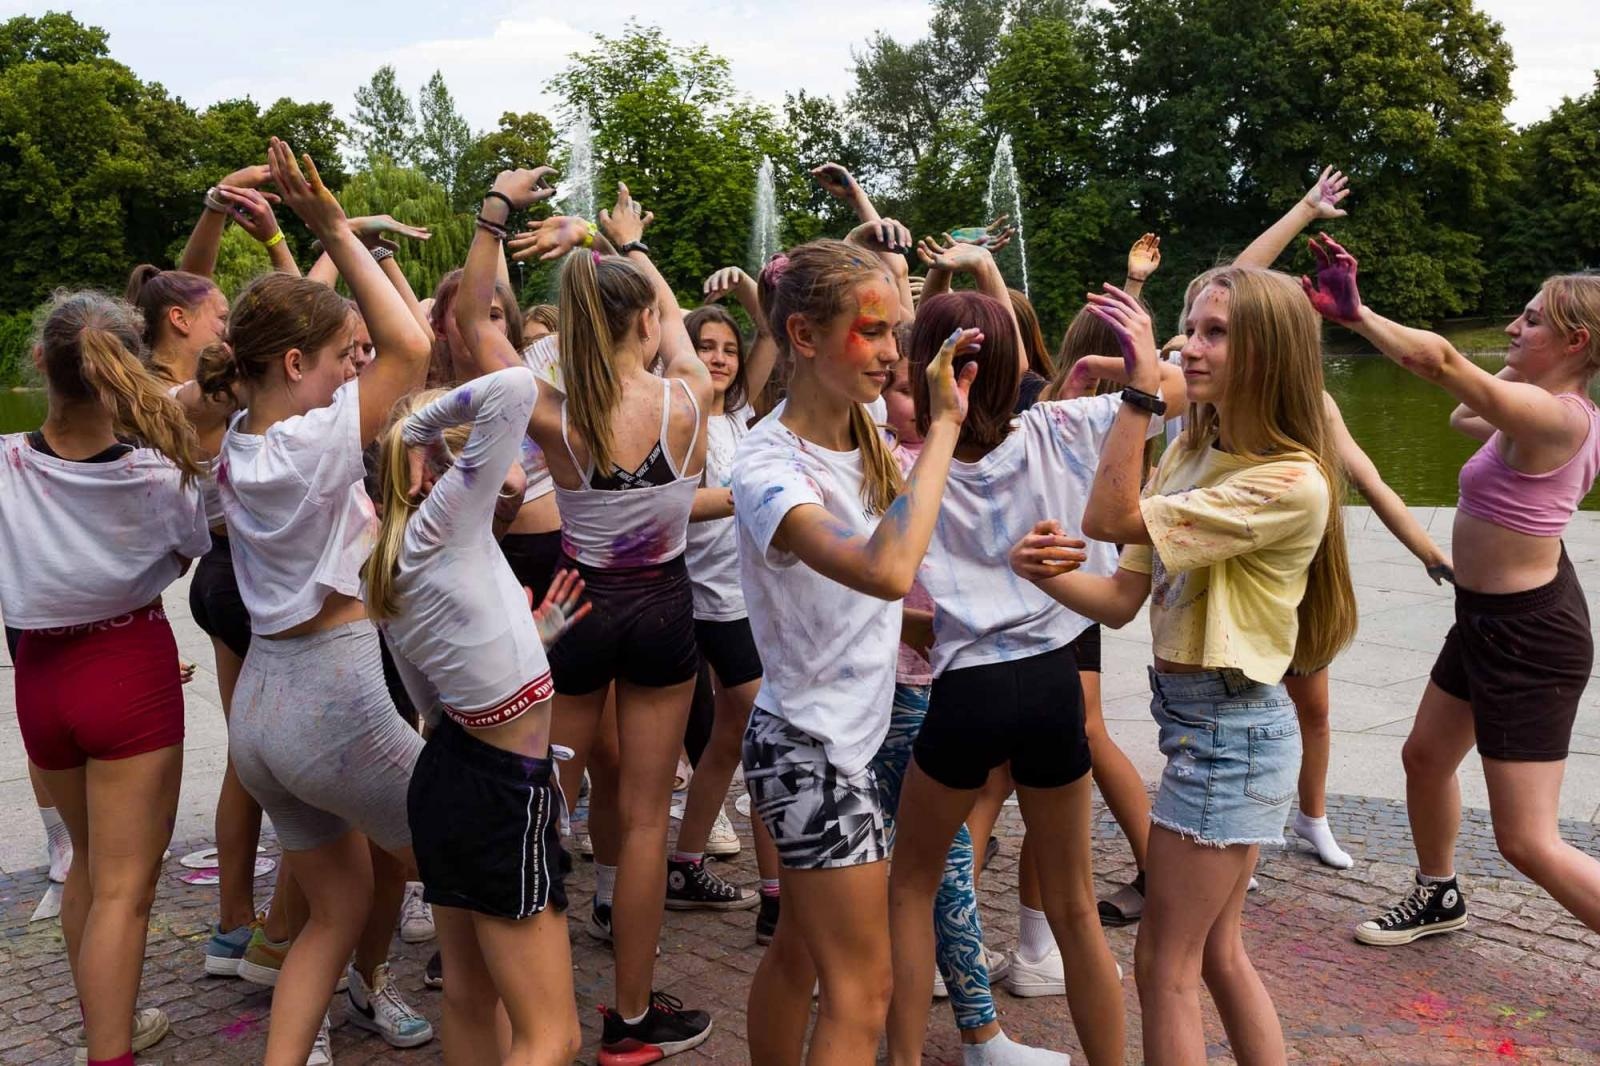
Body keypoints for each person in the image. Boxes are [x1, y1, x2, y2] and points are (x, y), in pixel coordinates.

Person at [1012, 270, 1357, 1064]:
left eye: (1215, 333)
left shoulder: (1289, 480)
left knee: (1163, 963)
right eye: (1190, 328)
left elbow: (1107, 516)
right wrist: (1036, 570)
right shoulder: (1196, 447)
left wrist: (1138, 396)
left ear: (1267, 352)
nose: (1189, 348)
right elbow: (1123, 597)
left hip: (1230, 732)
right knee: (1216, 955)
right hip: (1204, 725)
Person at [891, 286, 1185, 1066]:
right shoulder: (1064, 425)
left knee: (911, 884)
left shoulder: (912, 466)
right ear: (1014, 363)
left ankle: (902, 1053)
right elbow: (1179, 391)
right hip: (1055, 679)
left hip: (967, 687)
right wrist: (1139, 360)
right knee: (1076, 908)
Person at [468, 172, 716, 1062]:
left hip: (574, 609)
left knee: (539, 803)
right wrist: (620, 241)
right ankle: (634, 1019)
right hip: (664, 612)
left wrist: (496, 214)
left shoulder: (553, 413)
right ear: (644, 319)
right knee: (646, 822)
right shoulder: (691, 396)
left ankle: (499, 987)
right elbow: (677, 321)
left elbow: (473, 325)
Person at [198, 138, 435, 1065]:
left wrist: (287, 261)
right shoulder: (317, 442)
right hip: (335, 701)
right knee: (470, 859)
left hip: (262, 712)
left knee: (332, 911)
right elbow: (412, 343)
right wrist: (333, 224)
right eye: (343, 360)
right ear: (297, 362)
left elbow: (299, 353)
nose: (355, 371)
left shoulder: (243, 442)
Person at [1298, 240, 1600, 946]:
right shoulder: (1539, 410)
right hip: (1487, 619)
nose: (1511, 329)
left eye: (1529, 322)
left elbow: (1437, 362)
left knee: (1527, 842)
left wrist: (1358, 314)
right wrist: (1517, 369)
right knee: (1426, 757)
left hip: (1528, 636)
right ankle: (1438, 895)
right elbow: (1464, 414)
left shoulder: (1563, 419)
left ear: (1576, 340)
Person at [732, 238, 977, 1065]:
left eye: (896, 333)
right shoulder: (768, 468)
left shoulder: (859, 422)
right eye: (872, 334)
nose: (892, 354)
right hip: (811, 751)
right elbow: (884, 569)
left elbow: (858, 604)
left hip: (843, 737)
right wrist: (944, 426)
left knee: (801, 952)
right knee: (864, 989)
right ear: (803, 336)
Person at [0, 290, 211, 1066]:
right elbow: (188, 552)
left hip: (40, 677)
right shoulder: (158, 474)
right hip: (127, 669)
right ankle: (110, 1051)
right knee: (127, 889)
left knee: (90, 870)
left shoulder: (4, 465)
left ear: (38, 364)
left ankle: (104, 1020)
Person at [365, 364, 587, 1066]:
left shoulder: (393, 557)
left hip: (450, 779)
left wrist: (530, 641)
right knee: (554, 1035)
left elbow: (436, 705)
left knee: (468, 995)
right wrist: (417, 430)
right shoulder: (445, 523)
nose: (515, 461)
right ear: (442, 468)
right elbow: (516, 387)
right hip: (500, 793)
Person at [129, 168, 311, 980]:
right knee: (292, 759)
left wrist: (211, 214)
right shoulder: (203, 394)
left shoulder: (148, 389)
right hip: (251, 573)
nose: (224, 317)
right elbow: (321, 325)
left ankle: (234, 921)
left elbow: (186, 282)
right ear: (181, 321)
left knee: (248, 755)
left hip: (218, 577)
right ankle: (280, 929)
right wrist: (282, 238)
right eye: (213, 311)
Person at [878, 314, 1074, 1066]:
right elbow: (877, 582)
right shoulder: (897, 464)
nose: (904, 400)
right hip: (908, 683)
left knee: (940, 864)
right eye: (897, 389)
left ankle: (970, 1034)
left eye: (908, 385)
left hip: (956, 681)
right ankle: (972, 1038)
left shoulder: (966, 454)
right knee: (939, 866)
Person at [667, 270, 779, 917]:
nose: (719, 357)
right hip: (711, 602)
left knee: (731, 736)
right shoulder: (677, 418)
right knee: (768, 729)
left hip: (745, 596)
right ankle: (777, 900)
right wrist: (746, 500)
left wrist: (743, 291)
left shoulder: (737, 415)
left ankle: (684, 865)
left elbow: (769, 330)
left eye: (727, 349)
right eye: (705, 346)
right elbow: (662, 507)